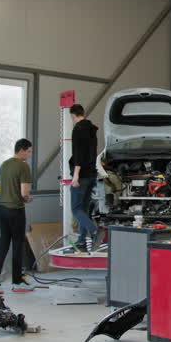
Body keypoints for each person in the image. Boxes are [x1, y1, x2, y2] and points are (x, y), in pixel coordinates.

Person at [0, 138, 34, 294]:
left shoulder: (4, 165)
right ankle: (17, 282)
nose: (29, 154)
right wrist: (28, 198)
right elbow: (24, 193)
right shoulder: (23, 166)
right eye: (28, 151)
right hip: (16, 210)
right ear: (21, 150)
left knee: (3, 245)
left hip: (2, 209)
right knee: (17, 245)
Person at [69, 104, 99, 252]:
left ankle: (94, 231)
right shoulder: (92, 129)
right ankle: (81, 242)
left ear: (73, 115)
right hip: (92, 174)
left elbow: (78, 154)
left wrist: (75, 175)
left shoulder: (78, 129)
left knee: (75, 209)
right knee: (84, 210)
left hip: (81, 175)